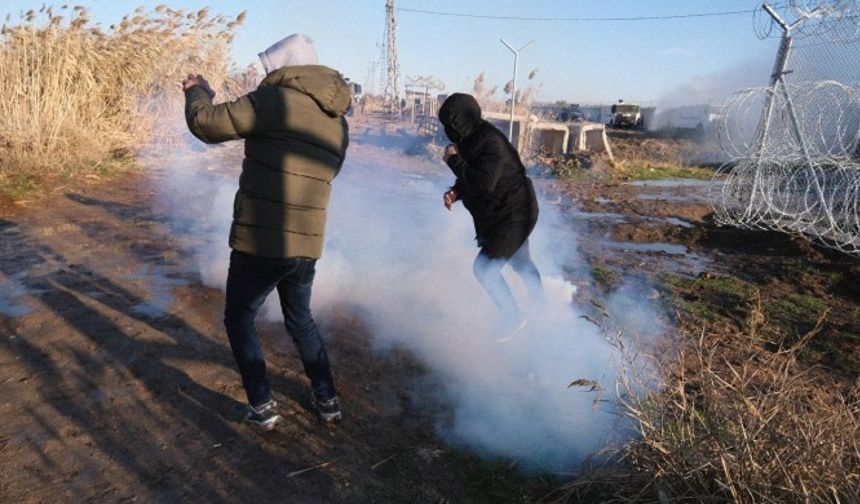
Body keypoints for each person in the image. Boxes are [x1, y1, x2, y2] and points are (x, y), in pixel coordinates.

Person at [182, 34, 350, 430]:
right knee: (301, 320)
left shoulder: (273, 102)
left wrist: (198, 92)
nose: (266, 74)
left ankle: (262, 405)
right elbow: (328, 172)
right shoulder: (338, 121)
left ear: (285, 67)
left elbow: (207, 124)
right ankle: (327, 399)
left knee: (239, 317)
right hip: (306, 244)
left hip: (261, 240)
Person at [438, 93, 544, 338]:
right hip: (499, 216)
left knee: (484, 268)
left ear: (462, 121)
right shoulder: (470, 139)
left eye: (451, 125)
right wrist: (455, 192)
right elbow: (473, 177)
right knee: (522, 263)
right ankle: (543, 309)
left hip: (516, 215)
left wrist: (453, 161)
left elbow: (484, 183)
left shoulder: (489, 142)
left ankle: (513, 317)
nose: (448, 131)